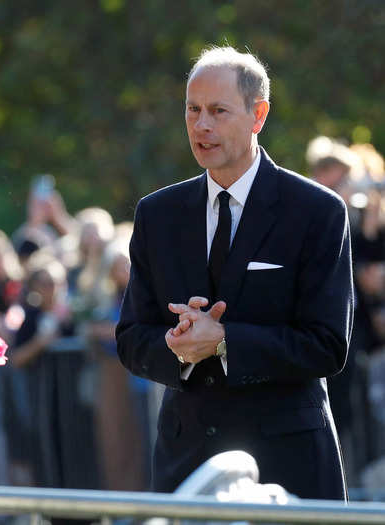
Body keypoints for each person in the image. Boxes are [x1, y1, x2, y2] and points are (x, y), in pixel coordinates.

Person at [116, 46, 353, 500]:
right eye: (193, 110)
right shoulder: (158, 214)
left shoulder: (317, 211)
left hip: (286, 465)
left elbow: (328, 343)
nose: (201, 125)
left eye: (218, 111)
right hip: (186, 465)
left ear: (258, 115)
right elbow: (131, 337)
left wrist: (224, 341)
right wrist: (176, 346)